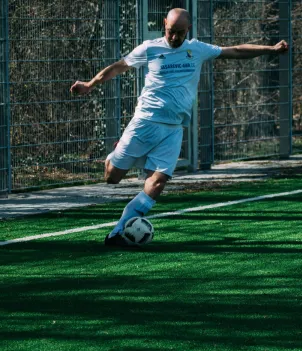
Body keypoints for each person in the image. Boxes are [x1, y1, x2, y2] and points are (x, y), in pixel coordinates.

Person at [70, 8, 288, 246]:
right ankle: (116, 153)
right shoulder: (149, 48)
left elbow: (234, 51)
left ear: (188, 30)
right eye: (171, 31)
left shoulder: (197, 49)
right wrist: (90, 84)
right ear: (164, 24)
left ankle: (118, 232)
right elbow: (118, 67)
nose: (174, 38)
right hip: (145, 122)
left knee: (159, 181)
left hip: (174, 129)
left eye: (180, 33)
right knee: (112, 178)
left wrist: (271, 49)